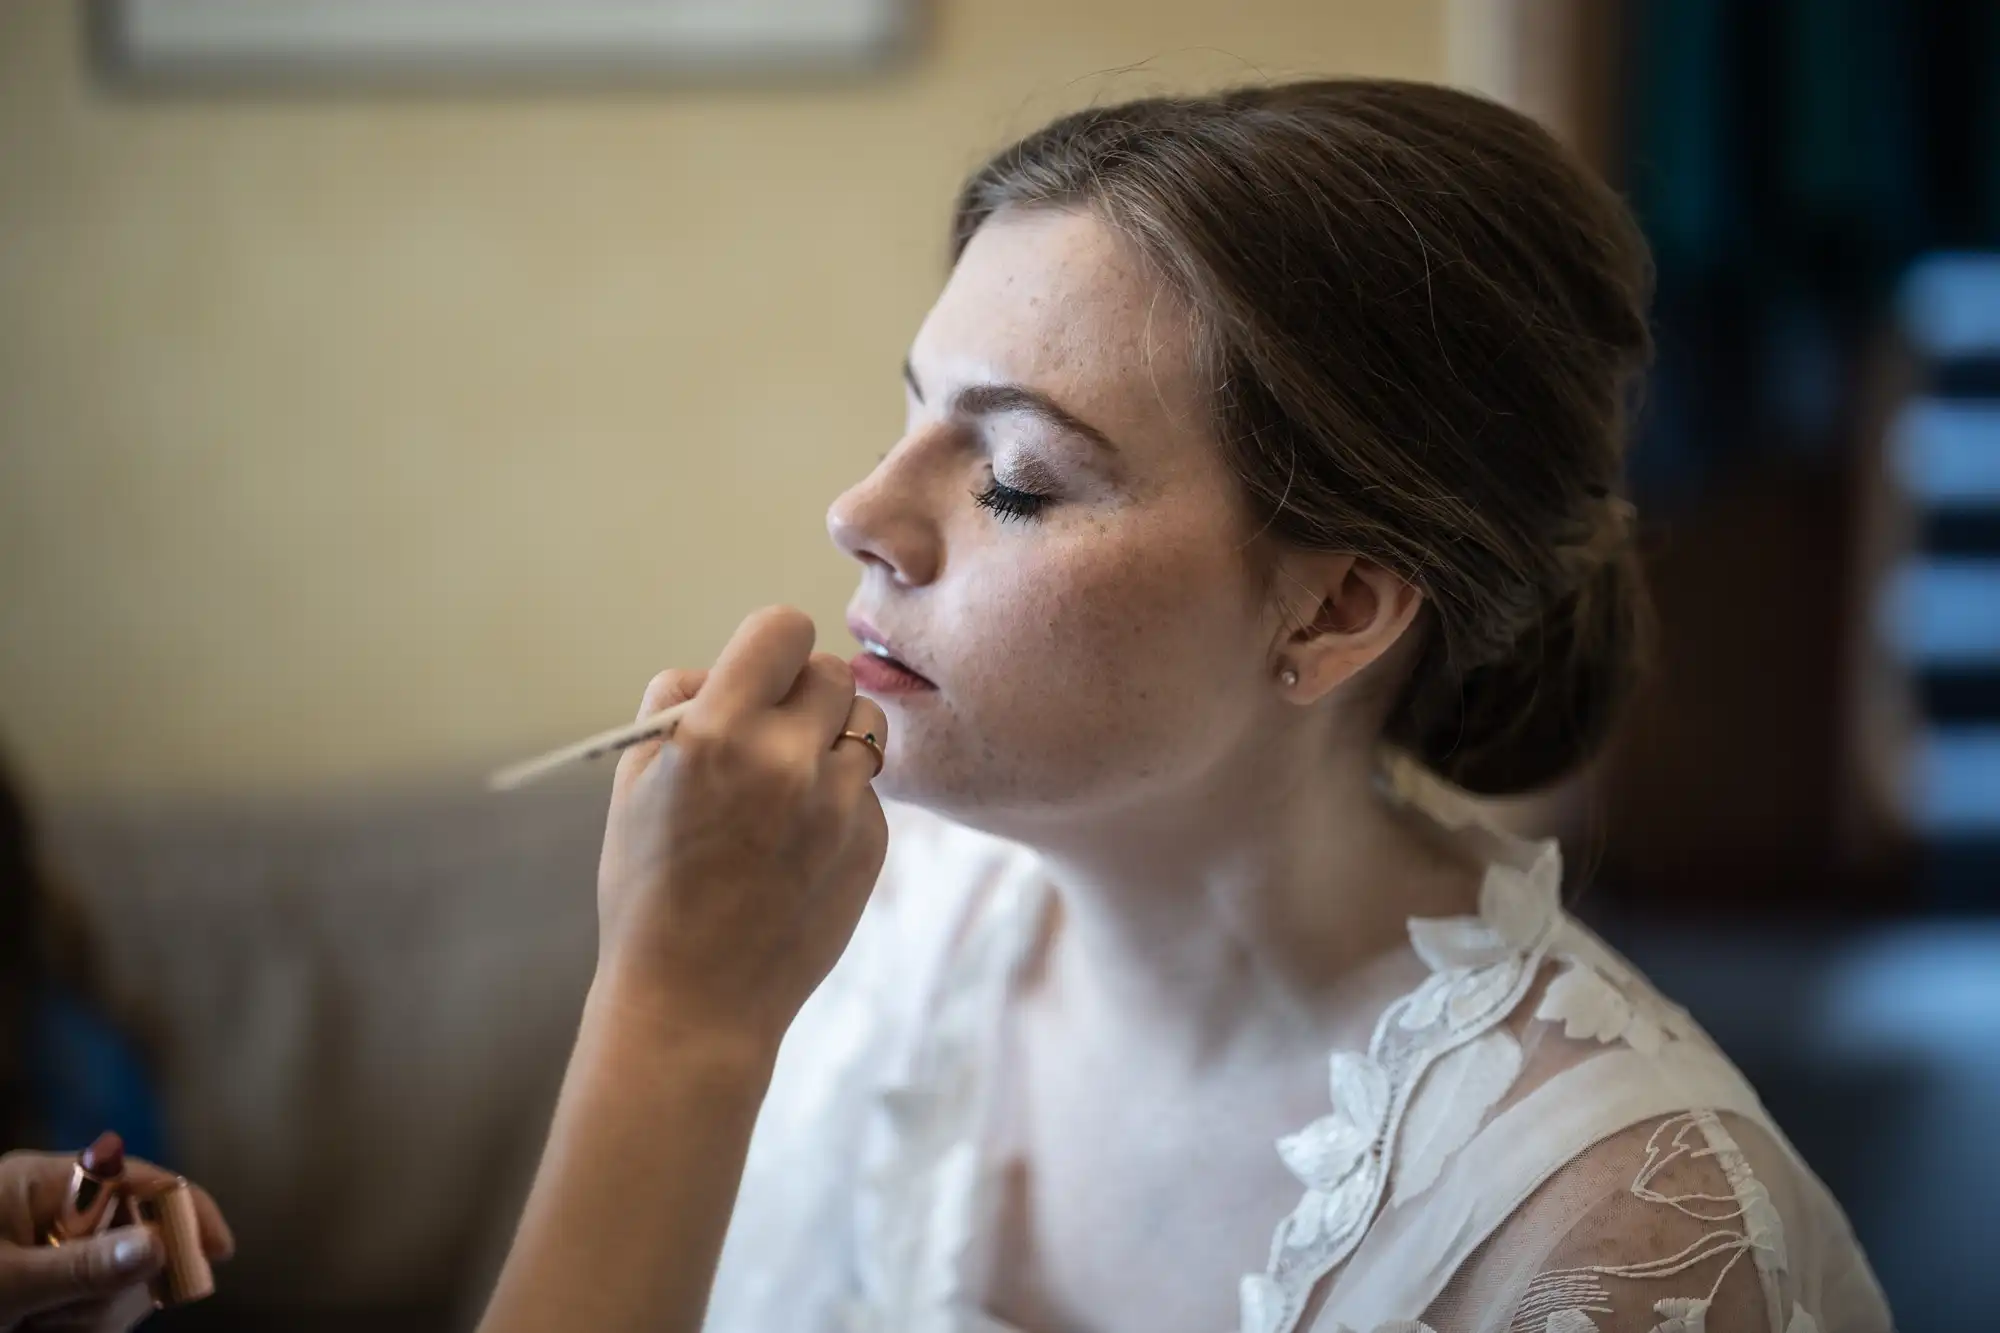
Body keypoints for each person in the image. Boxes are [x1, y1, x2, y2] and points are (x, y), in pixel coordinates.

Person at [477, 81, 1892, 1333]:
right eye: (910, 413)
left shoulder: (1615, 1235)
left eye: (1015, 478)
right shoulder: (870, 915)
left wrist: (671, 1017)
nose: (859, 514)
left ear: (1331, 611)